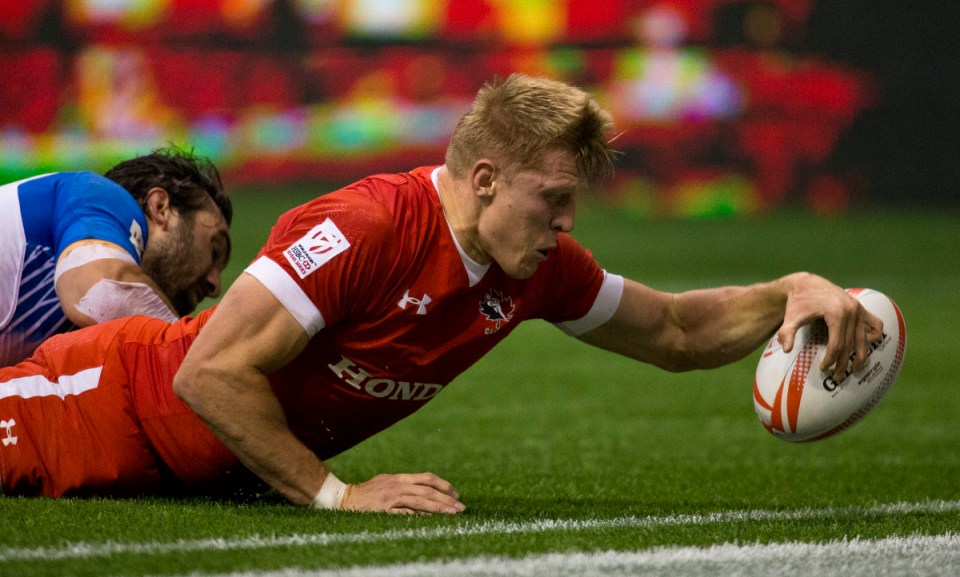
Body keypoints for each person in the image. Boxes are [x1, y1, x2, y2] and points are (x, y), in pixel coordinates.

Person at [0, 75, 881, 512]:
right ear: (488, 178)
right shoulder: (370, 224)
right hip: (93, 404)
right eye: (555, 199)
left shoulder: (536, 269)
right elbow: (210, 373)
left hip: (204, 466)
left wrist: (790, 290)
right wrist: (338, 494)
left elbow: (678, 333)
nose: (569, 224)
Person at [0, 148, 233, 365]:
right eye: (214, 250)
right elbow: (102, 292)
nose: (215, 287)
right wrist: (211, 363)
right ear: (160, 207)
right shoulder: (96, 192)